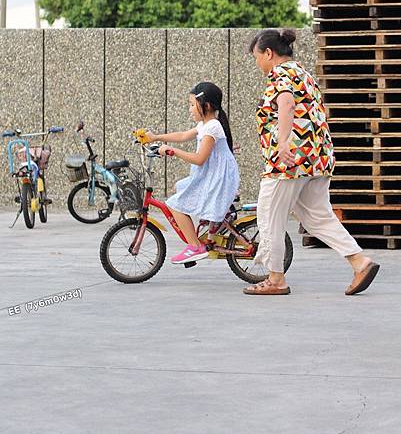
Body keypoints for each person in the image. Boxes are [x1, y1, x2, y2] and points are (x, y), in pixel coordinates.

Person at [243, 28, 380, 296]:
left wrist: (283, 142)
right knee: (318, 218)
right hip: (316, 158)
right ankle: (359, 262)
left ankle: (275, 279)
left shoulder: (281, 74)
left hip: (290, 162)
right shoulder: (303, 73)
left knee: (268, 215)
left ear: (269, 54)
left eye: (257, 57)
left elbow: (286, 104)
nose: (257, 63)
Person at [145, 81, 240, 265]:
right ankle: (204, 234)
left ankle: (195, 247)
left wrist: (172, 151)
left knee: (175, 204)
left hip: (216, 178)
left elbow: (199, 159)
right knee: (179, 188)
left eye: (191, 105)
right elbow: (182, 136)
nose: (189, 109)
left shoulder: (212, 126)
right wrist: (156, 137)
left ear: (206, 106)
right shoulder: (205, 125)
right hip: (210, 174)